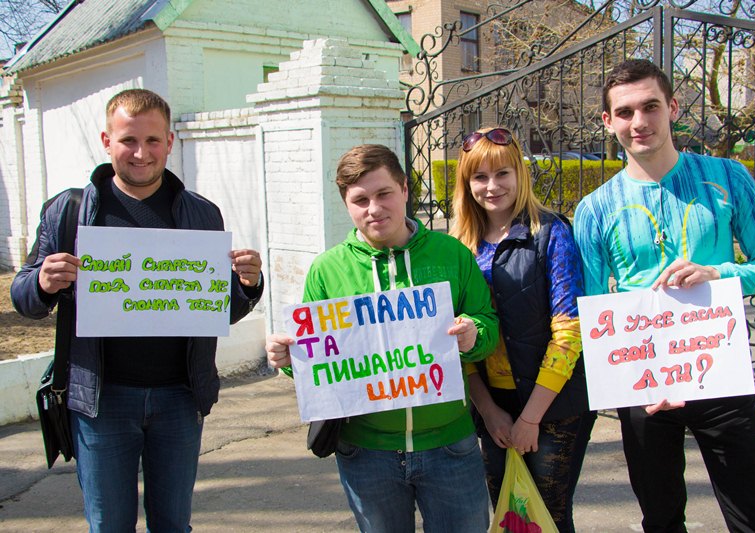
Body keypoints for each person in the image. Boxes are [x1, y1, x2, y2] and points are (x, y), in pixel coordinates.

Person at [11, 88, 264, 532]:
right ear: (107, 141)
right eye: (128, 140)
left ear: (169, 142)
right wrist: (43, 282)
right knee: (109, 525)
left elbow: (214, 309)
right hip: (101, 400)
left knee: (173, 525)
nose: (141, 153)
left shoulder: (202, 213)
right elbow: (23, 297)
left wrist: (248, 285)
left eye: (152, 141)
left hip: (179, 398)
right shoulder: (69, 211)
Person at [573, 59, 755, 532]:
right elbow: (591, 311)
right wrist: (630, 378)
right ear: (608, 121)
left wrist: (717, 272)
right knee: (661, 519)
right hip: (644, 388)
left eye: (650, 106)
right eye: (625, 112)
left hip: (721, 374)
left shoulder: (729, 177)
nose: (639, 121)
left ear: (672, 108)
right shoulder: (594, 209)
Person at [266, 144, 499, 533]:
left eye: (383, 193)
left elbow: (487, 325)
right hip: (366, 452)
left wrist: (474, 334)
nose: (373, 209)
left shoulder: (452, 254)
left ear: (405, 189)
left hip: (450, 446)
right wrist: (291, 361)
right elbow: (319, 363)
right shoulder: (327, 270)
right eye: (360, 200)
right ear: (346, 204)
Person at [449, 126, 596, 532]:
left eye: (502, 173)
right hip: (493, 404)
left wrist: (531, 418)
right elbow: (456, 341)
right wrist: (488, 411)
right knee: (509, 517)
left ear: (520, 173)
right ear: (466, 182)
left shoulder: (550, 232)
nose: (492, 186)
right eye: (480, 176)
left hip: (555, 404)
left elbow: (569, 331)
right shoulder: (458, 246)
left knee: (547, 518)